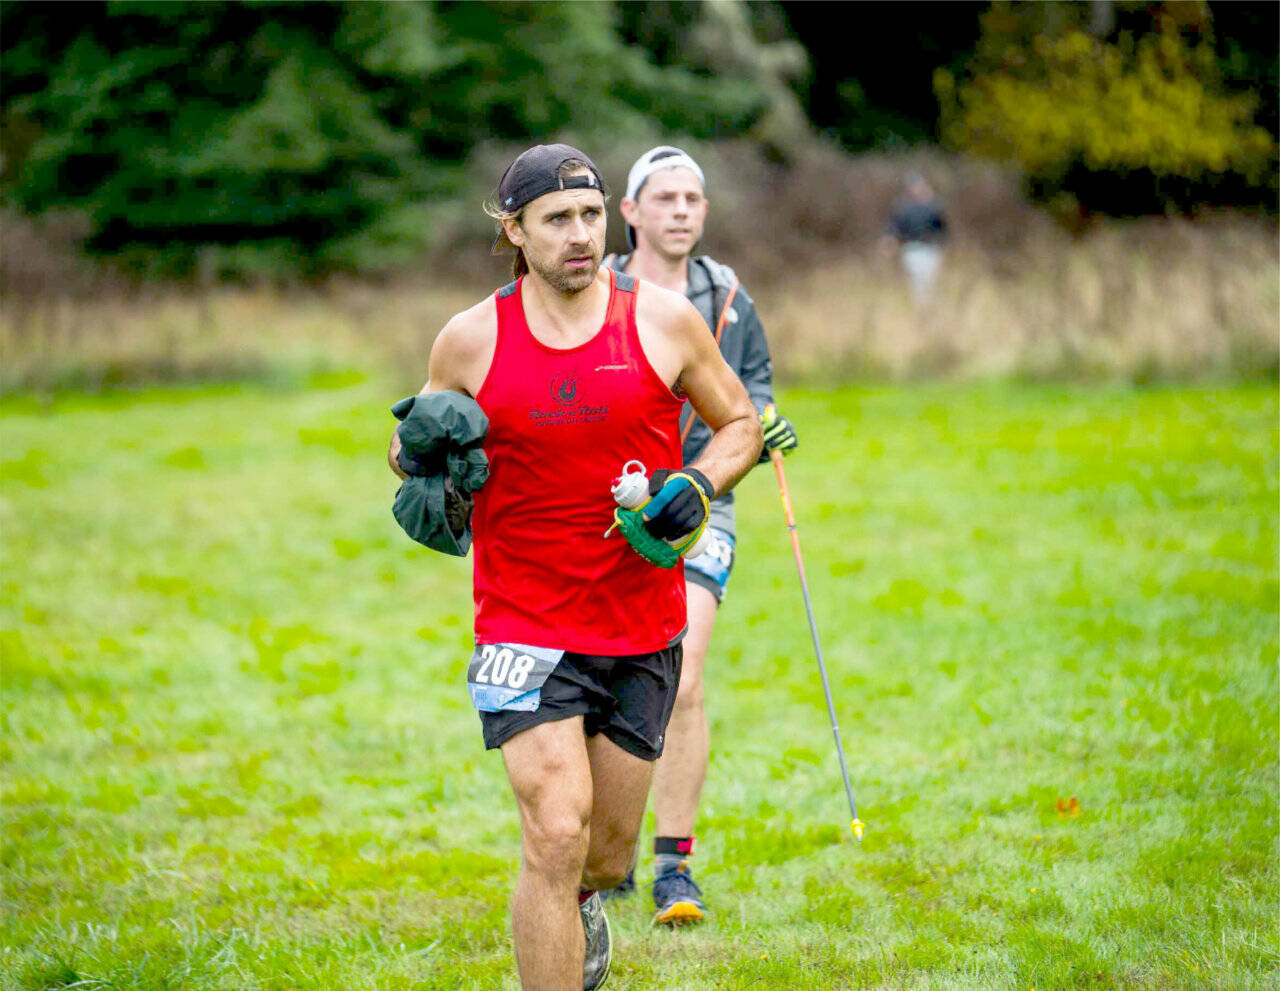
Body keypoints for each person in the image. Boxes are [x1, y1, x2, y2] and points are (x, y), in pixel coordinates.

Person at [388, 143, 762, 990]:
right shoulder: (472, 336)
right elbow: (414, 446)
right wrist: (423, 463)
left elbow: (739, 423)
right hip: (522, 623)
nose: (580, 234)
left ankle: (585, 906)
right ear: (514, 229)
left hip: (639, 621)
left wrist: (697, 484)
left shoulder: (663, 320)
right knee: (554, 834)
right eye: (557, 219)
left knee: (604, 851)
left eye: (591, 215)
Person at [602, 146, 798, 925]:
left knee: (680, 675)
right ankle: (605, 856)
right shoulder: (600, 286)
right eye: (665, 197)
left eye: (693, 198)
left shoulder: (727, 294)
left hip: (703, 500)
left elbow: (752, 390)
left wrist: (767, 419)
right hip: (613, 501)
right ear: (632, 213)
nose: (681, 210)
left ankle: (673, 867)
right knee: (605, 680)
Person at [879, 171, 948, 304]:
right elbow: (893, 227)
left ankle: (928, 307)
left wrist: (941, 246)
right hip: (911, 249)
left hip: (931, 249)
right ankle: (921, 307)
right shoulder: (903, 207)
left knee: (929, 281)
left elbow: (942, 227)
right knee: (916, 280)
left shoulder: (933, 205)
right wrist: (888, 241)